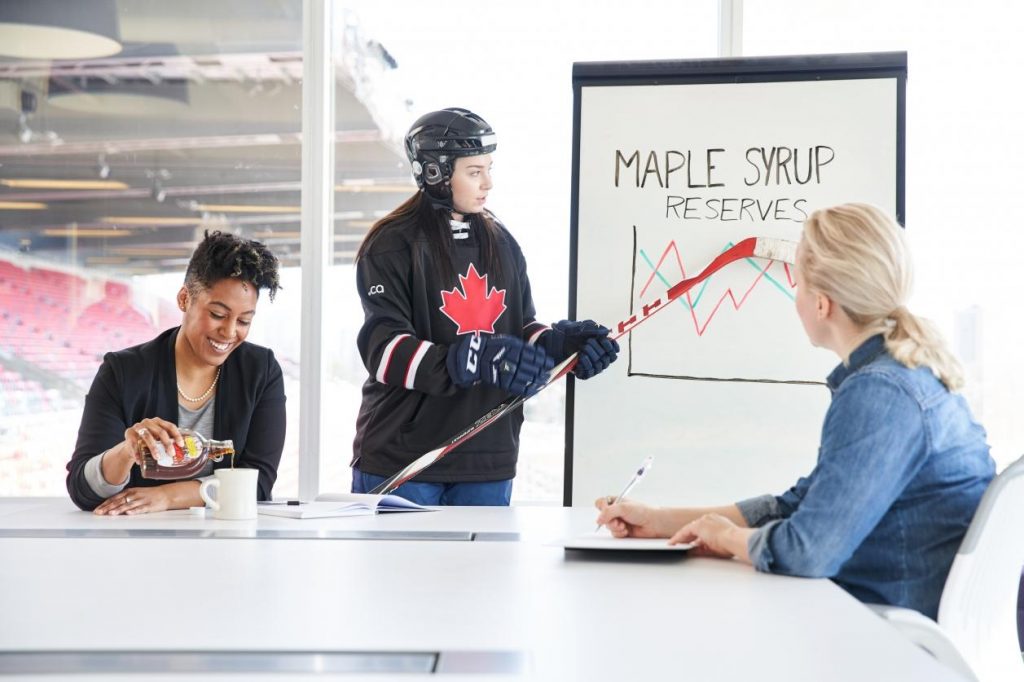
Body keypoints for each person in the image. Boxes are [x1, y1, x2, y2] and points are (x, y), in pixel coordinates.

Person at [595, 203, 995, 619]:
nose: (796, 298)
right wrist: (659, 521)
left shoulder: (880, 393)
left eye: (798, 285)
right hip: (885, 615)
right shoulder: (901, 376)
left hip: (889, 633)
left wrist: (729, 538)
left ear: (822, 304)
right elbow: (796, 504)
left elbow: (809, 551)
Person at [351, 107, 619, 505]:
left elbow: (521, 327)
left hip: (487, 455)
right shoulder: (393, 244)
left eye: (488, 169)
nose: (488, 183)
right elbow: (384, 350)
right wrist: (472, 359)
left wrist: (559, 346)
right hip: (404, 457)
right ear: (435, 172)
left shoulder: (502, 242)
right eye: (474, 171)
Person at [66, 231, 286, 514]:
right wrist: (125, 452)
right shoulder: (122, 371)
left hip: (226, 544)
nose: (230, 332)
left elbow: (257, 483)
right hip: (138, 543)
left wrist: (168, 497)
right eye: (218, 314)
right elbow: (82, 490)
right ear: (184, 299)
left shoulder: (261, 370)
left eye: (244, 320)